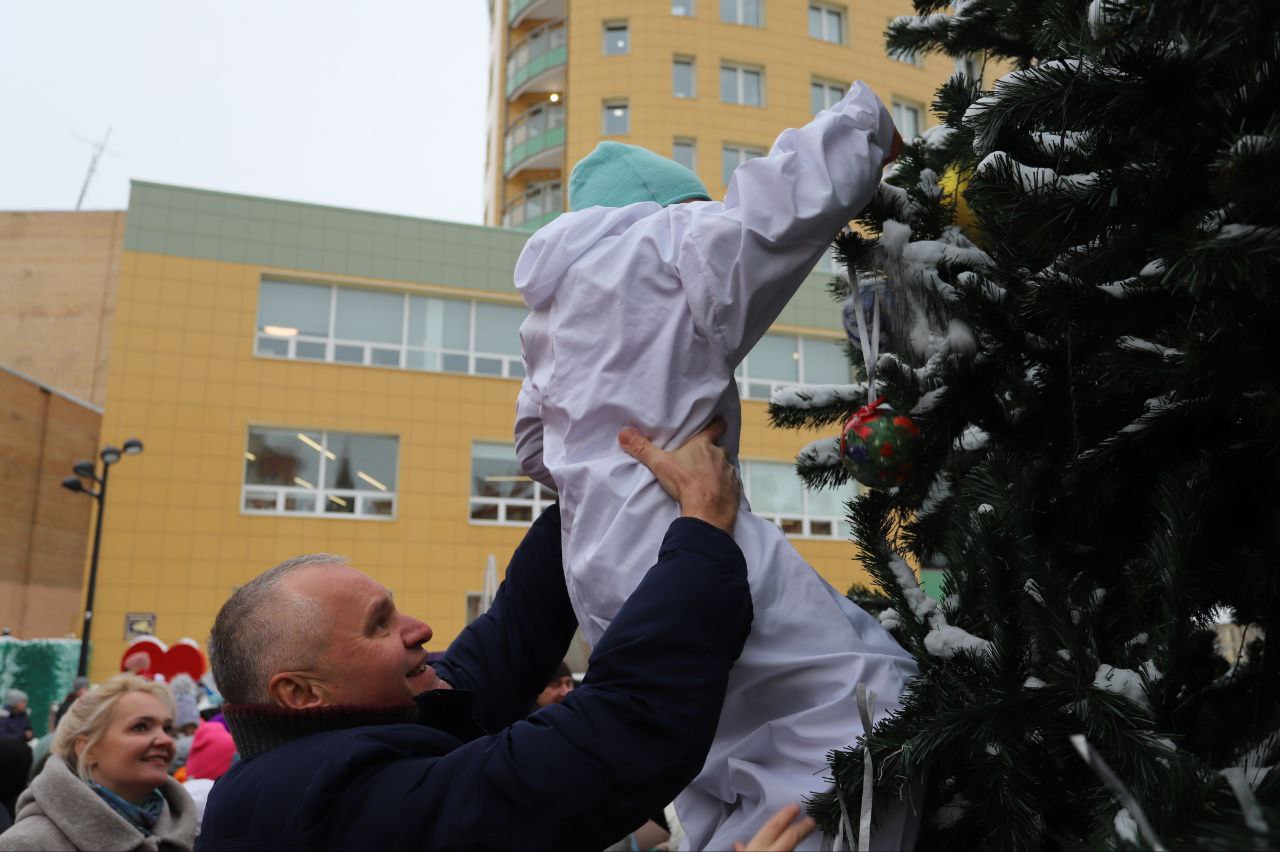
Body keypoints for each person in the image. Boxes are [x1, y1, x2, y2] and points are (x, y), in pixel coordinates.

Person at [512, 81, 919, 848]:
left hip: (599, 571)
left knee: (714, 739)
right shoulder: (669, 243)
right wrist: (869, 130)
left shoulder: (549, 316)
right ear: (672, 207)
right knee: (867, 698)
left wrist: (609, 461)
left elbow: (535, 450)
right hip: (685, 530)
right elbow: (775, 210)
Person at [198, 423, 761, 850]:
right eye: (380, 625)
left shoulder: (365, 726)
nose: (421, 631)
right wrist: (703, 532)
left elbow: (511, 637)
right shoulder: (324, 802)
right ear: (300, 693)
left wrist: (588, 493)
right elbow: (614, 735)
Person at [0, 673, 196, 851]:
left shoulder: (178, 833)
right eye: (141, 727)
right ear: (87, 748)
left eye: (167, 728)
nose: (165, 740)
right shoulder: (26, 844)